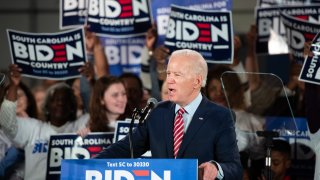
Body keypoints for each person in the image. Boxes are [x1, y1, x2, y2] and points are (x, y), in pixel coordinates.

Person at [94, 49, 242, 179]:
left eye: (177, 75)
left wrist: (216, 169)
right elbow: (126, 148)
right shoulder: (158, 113)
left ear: (196, 81)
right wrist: (89, 164)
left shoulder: (220, 117)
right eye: (168, 73)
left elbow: (234, 169)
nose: (169, 80)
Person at [0, 64, 88, 180]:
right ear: (47, 106)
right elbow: (7, 122)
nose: (60, 103)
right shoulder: (33, 128)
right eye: (55, 100)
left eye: (65, 100)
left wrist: (89, 80)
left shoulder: (80, 125)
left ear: (72, 107)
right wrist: (14, 85)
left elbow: (99, 112)